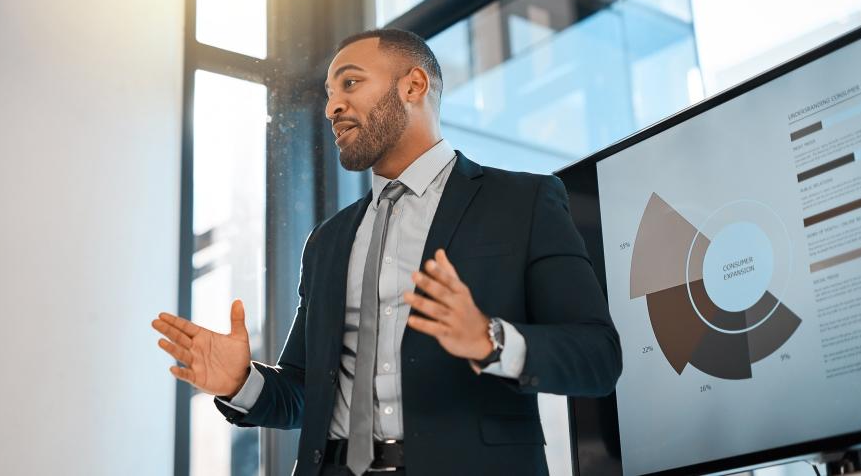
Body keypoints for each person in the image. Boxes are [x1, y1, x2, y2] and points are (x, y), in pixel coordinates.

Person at [152, 29, 622, 476]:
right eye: (329, 94)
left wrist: (489, 338)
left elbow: (598, 358)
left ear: (414, 85)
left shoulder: (524, 203)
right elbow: (303, 392)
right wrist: (242, 382)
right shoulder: (328, 240)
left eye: (350, 83)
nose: (332, 106)